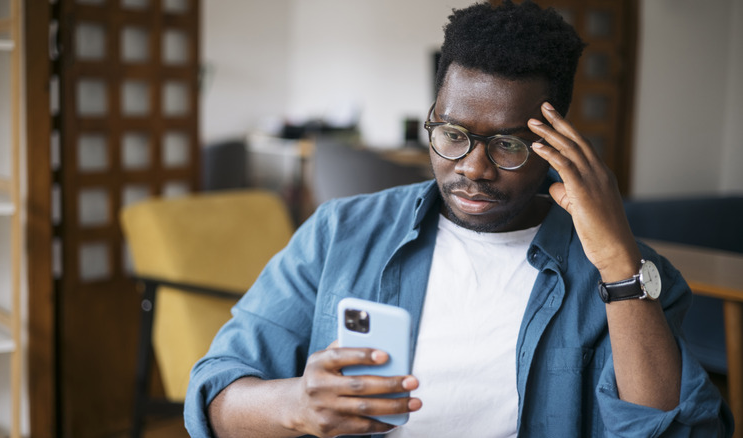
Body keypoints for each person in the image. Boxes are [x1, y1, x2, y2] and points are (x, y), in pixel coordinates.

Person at [185, 1, 733, 437]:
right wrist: (295, 405)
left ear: (555, 143)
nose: (473, 168)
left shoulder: (631, 278)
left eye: (508, 145)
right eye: (452, 135)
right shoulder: (341, 234)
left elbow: (683, 431)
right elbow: (214, 397)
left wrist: (618, 264)